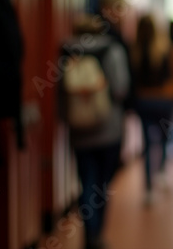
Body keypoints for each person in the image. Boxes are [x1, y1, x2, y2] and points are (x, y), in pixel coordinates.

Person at [61, 15, 130, 249]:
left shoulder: (66, 51)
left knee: (87, 180)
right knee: (102, 183)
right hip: (108, 128)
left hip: (78, 130)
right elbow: (121, 88)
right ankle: (96, 233)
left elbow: (60, 94)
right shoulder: (112, 50)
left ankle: (90, 233)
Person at [131, 15, 173, 203]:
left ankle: (148, 187)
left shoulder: (134, 51)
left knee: (146, 144)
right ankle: (161, 172)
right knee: (162, 138)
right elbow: (170, 76)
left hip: (143, 101)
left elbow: (131, 82)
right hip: (162, 101)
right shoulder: (162, 49)